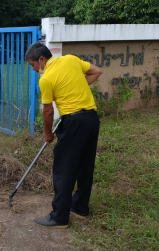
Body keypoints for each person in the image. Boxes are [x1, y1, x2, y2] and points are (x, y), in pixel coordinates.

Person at [25, 42, 102, 228]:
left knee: (64, 168)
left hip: (74, 122)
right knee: (85, 164)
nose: (34, 69)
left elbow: (48, 112)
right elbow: (96, 71)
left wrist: (47, 134)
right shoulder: (71, 60)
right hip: (92, 119)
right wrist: (75, 88)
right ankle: (80, 207)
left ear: (41, 59)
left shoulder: (46, 79)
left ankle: (59, 217)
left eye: (33, 65)